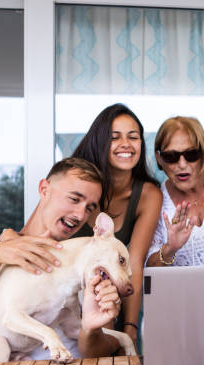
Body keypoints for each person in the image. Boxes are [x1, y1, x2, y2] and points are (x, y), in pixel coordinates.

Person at [0, 157, 123, 359]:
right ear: (44, 190)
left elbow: (99, 353)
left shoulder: (90, 270)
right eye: (74, 199)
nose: (80, 215)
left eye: (89, 208)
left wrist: (91, 329)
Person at [70, 103, 162, 347]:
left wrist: (131, 328)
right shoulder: (77, 180)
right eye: (114, 137)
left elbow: (135, 260)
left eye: (133, 137)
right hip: (64, 300)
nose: (126, 144)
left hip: (109, 303)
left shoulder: (148, 194)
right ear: (100, 143)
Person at [146, 116, 204, 267]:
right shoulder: (156, 200)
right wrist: (170, 248)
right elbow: (148, 270)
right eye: (171, 157)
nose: (182, 164)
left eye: (191, 155)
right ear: (159, 158)